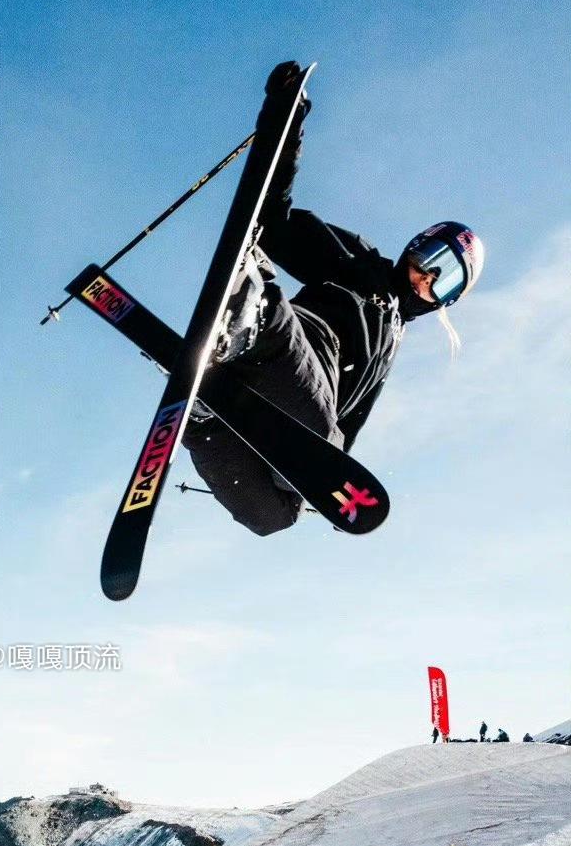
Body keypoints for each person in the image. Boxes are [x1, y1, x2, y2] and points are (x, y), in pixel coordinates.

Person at [184, 60, 484, 537]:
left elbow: (351, 420)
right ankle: (253, 314)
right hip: (295, 358)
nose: (427, 277)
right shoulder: (360, 264)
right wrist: (285, 119)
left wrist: (334, 478)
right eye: (430, 257)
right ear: (415, 244)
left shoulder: (392, 343)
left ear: (448, 300)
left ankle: (202, 415)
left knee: (276, 513)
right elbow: (275, 223)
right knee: (314, 428)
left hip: (292, 408)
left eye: (444, 278)